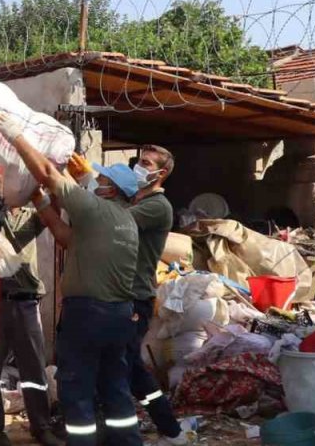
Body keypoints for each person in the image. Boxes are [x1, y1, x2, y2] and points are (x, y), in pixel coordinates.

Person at [0, 112, 143, 446]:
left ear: (112, 190)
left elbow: (46, 171)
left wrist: (14, 134)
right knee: (116, 389)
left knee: (77, 390)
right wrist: (40, 201)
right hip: (119, 317)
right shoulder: (124, 222)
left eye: (103, 181)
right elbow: (63, 236)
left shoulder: (94, 209)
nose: (97, 182)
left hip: (88, 315)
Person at [0, 170, 64, 446]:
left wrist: (49, 184)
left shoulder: (31, 216)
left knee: (34, 371)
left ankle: (41, 427)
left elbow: (50, 215)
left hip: (26, 301)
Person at [124, 145, 188, 444]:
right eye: (138, 160)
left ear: (160, 173)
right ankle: (170, 430)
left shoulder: (156, 206)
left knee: (125, 369)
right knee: (131, 369)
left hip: (134, 296)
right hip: (124, 294)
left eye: (145, 163)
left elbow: (113, 222)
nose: (139, 166)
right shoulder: (136, 199)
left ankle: (162, 430)